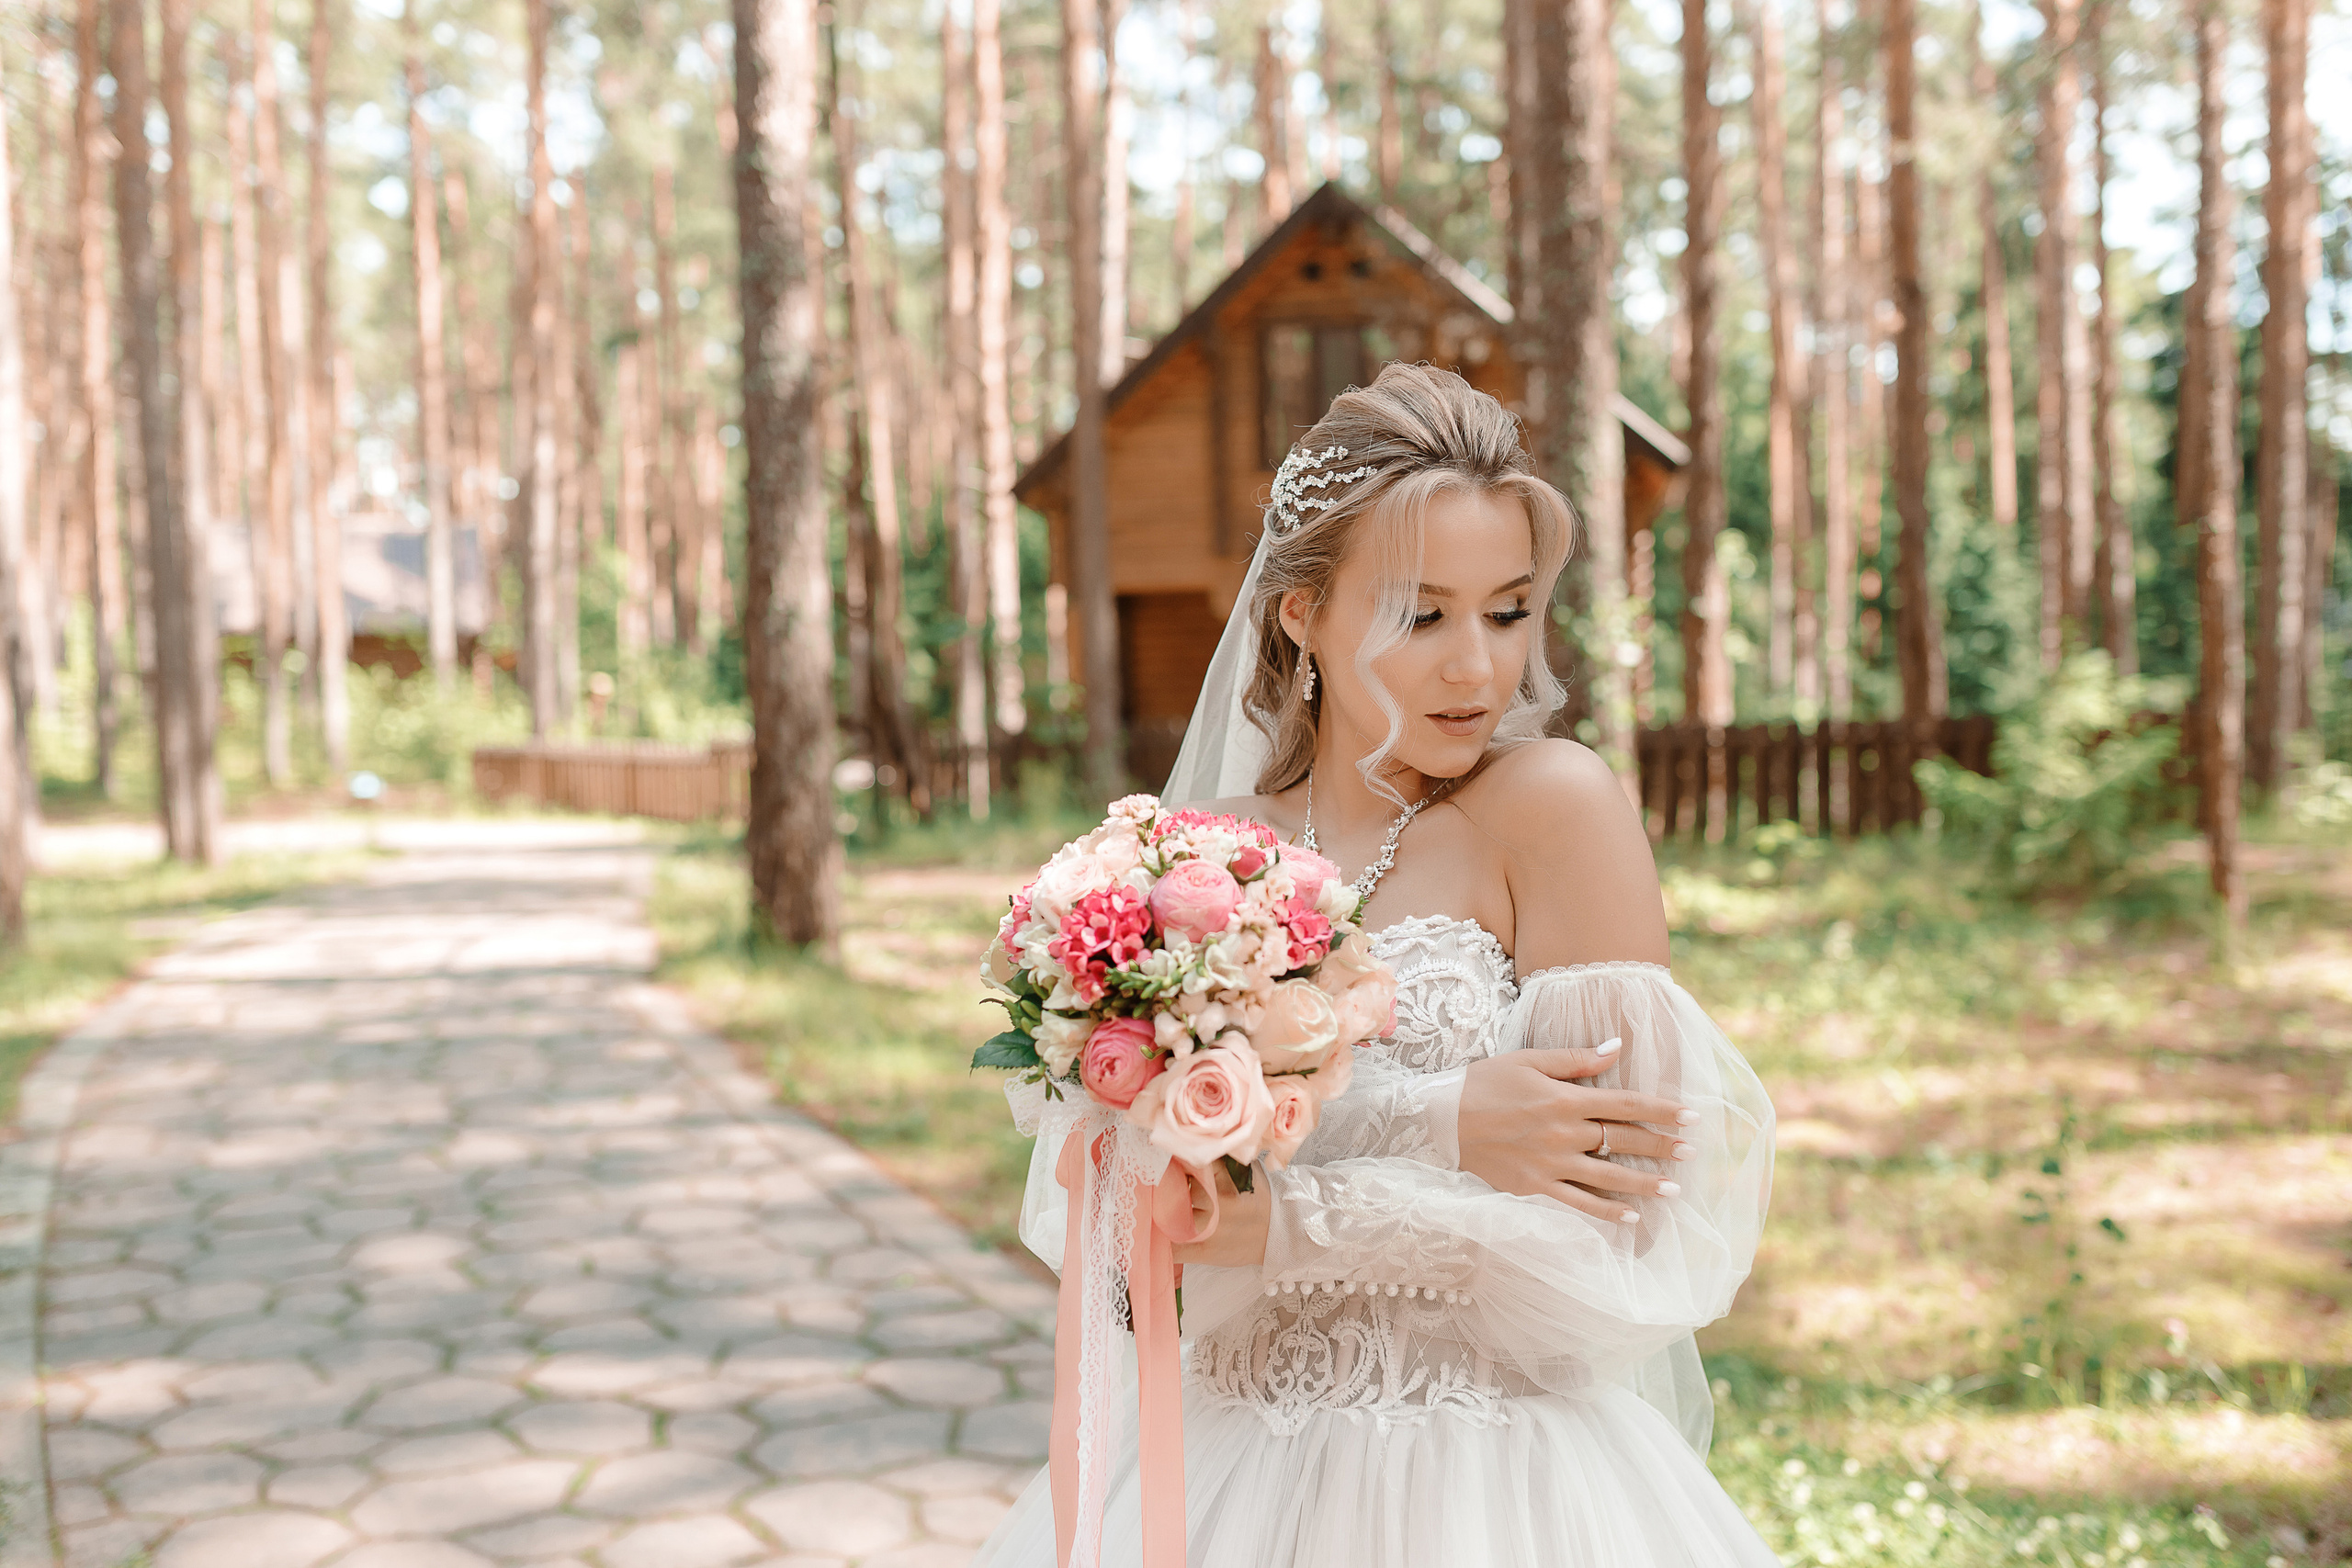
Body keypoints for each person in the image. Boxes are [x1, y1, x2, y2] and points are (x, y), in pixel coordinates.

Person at [975, 363, 1779, 1567]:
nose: (1477, 668)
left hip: (1494, 1487)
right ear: (1302, 612)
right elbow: (1121, 1215)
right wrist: (1445, 1123)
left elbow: (1635, 1254)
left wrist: (1299, 1217)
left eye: (1506, 612)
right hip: (1226, 1475)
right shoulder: (1192, 862)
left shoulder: (1551, 809)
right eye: (1421, 614)